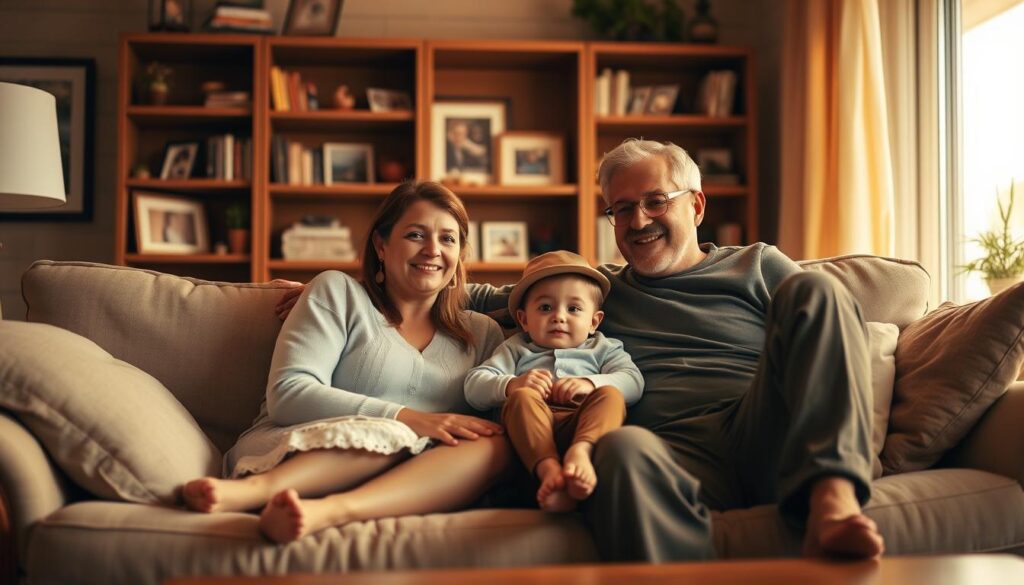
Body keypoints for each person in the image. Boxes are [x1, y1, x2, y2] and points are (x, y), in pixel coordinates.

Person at [275, 139, 884, 562]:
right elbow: (478, 290)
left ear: (696, 204)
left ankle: (831, 499)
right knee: (617, 448)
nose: (638, 219)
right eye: (621, 209)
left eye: (655, 202)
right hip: (669, 452)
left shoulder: (758, 265)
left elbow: (826, 333)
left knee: (817, 289)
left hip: (760, 424)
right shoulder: (596, 289)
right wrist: (356, 286)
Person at [185, 181, 509, 544]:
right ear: (381, 245)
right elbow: (287, 394)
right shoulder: (337, 292)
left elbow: (559, 300)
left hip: (409, 479)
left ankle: (325, 513)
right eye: (416, 234)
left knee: (493, 446)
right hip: (301, 453)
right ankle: (256, 491)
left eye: (448, 239)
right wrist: (410, 419)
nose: (433, 249)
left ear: (461, 254)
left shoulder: (483, 333)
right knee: (393, 433)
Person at [464, 251, 643, 513]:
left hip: (581, 426)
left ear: (595, 321)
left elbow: (633, 381)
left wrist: (589, 383)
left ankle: (580, 453)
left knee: (611, 395)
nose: (559, 316)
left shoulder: (604, 348)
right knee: (522, 399)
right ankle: (548, 470)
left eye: (574, 309)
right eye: (545, 307)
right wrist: (513, 384)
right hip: (529, 436)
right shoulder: (515, 348)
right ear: (524, 320)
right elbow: (473, 386)